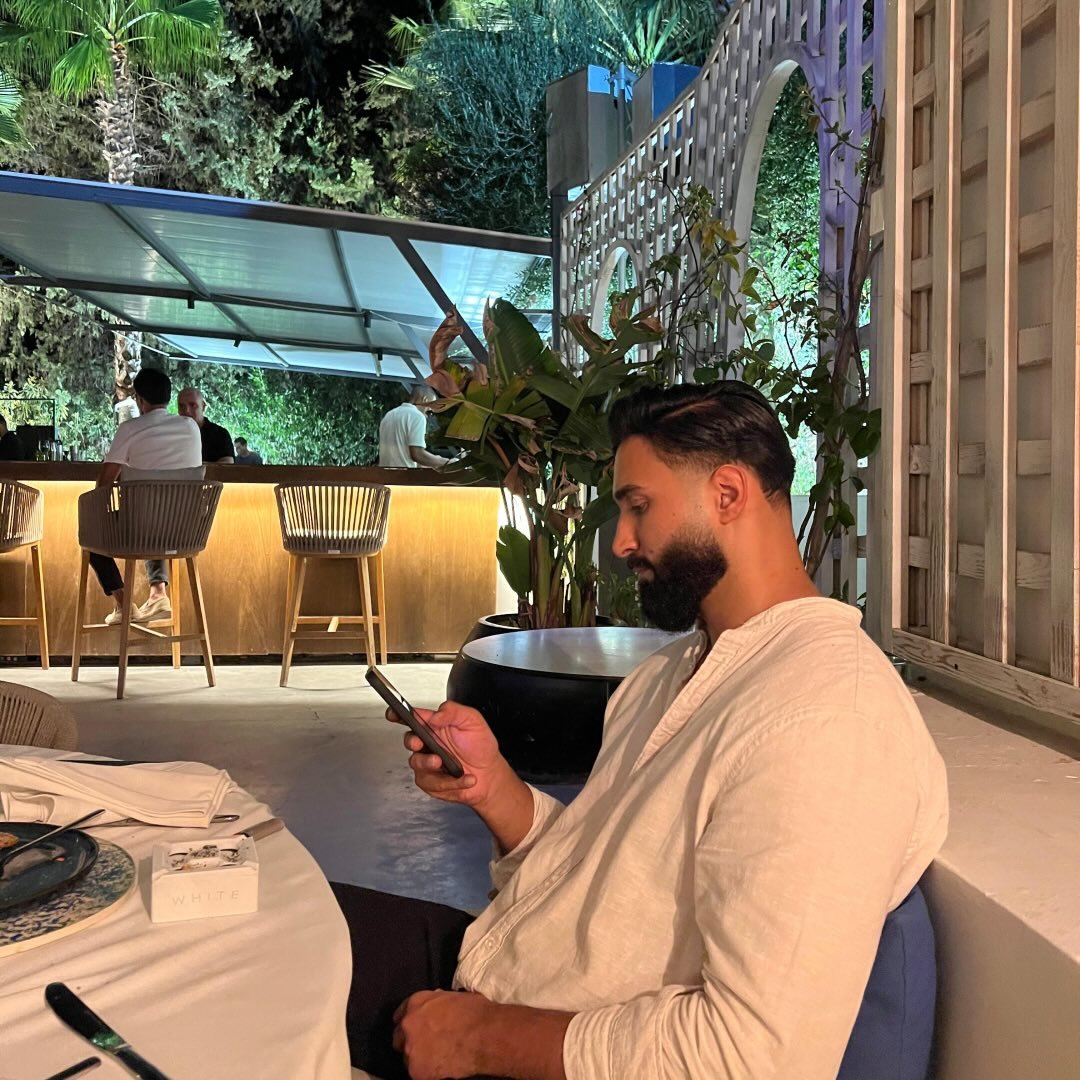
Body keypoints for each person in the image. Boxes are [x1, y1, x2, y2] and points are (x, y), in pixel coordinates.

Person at [331, 380, 949, 1080]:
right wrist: (495, 788)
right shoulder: (672, 671)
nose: (622, 540)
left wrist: (479, 1038)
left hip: (552, 1043)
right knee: (269, 921)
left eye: (639, 506)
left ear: (727, 494)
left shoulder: (827, 720)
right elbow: (601, 881)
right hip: (505, 975)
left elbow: (755, 1058)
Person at [89, 368, 202, 625]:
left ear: (140, 400)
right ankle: (158, 594)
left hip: (141, 529)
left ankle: (123, 603)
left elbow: (105, 481)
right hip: (187, 531)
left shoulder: (130, 428)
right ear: (168, 397)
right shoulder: (191, 427)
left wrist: (98, 510)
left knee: (92, 530)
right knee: (157, 511)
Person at [378, 385, 449, 469]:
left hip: (383, 474)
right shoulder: (417, 416)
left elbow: (405, 456)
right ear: (425, 400)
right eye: (430, 409)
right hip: (403, 475)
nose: (429, 414)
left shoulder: (389, 415)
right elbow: (417, 455)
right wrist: (446, 462)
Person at [177, 387, 234, 463]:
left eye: (192, 405)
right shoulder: (173, 433)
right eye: (182, 406)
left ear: (203, 406)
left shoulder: (220, 434)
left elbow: (228, 464)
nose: (186, 411)